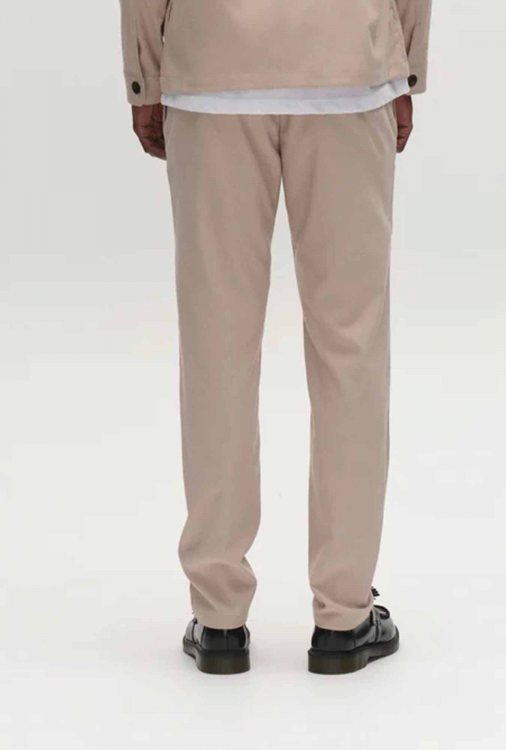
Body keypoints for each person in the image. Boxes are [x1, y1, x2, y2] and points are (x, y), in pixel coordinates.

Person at [119, 0, 432, 675]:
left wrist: (145, 76)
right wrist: (405, 64)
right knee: (351, 345)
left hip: (212, 67)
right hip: (349, 64)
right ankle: (344, 615)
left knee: (215, 343)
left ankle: (219, 617)